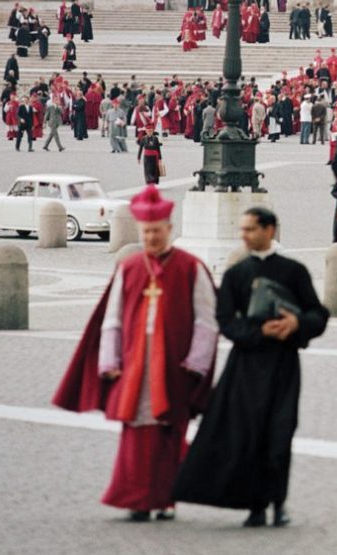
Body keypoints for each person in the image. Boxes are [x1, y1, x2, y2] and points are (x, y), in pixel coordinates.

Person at [53, 186, 218, 522]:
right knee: (136, 430)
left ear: (169, 230)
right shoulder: (129, 267)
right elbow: (112, 319)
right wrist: (109, 361)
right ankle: (136, 497)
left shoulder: (191, 267)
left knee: (169, 430)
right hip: (134, 361)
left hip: (175, 363)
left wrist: (196, 364)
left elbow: (206, 321)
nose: (151, 238)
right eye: (146, 233)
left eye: (157, 232)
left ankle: (165, 497)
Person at [173, 207, 329, 528]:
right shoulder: (236, 274)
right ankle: (255, 504)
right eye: (242, 229)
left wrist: (296, 323)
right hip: (245, 367)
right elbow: (225, 320)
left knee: (280, 433)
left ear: (270, 229)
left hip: (283, 364)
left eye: (250, 229)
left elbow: (319, 314)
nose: (243, 235)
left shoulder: (293, 271)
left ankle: (278, 503)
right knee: (248, 434)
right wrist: (259, 332)